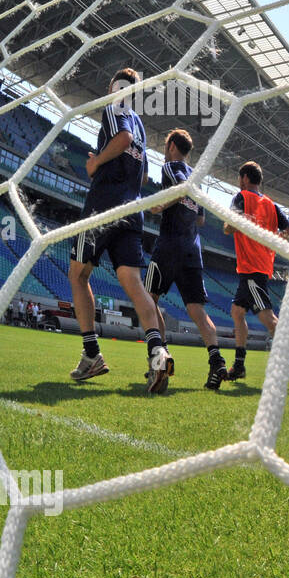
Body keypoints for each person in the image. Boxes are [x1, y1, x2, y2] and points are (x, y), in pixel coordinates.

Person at [67, 67, 173, 393]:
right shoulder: (140, 123)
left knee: (77, 274)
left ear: (117, 86)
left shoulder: (115, 107)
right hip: (132, 209)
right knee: (133, 283)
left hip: (104, 206)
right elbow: (142, 176)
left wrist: (97, 162)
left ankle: (91, 354)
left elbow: (121, 139)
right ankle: (157, 352)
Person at [145, 129, 228, 390]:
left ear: (171, 146)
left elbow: (180, 190)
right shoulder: (197, 179)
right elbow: (201, 219)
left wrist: (159, 205)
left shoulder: (172, 167)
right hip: (193, 249)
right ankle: (217, 362)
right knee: (197, 310)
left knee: (148, 300)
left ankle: (161, 355)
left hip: (169, 246)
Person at [223, 160, 289, 389]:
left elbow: (228, 226)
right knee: (237, 312)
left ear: (244, 178)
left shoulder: (241, 197)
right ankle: (239, 365)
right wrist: (269, 244)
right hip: (259, 266)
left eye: (239, 179)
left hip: (252, 267)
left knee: (267, 318)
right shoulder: (271, 205)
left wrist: (240, 224)